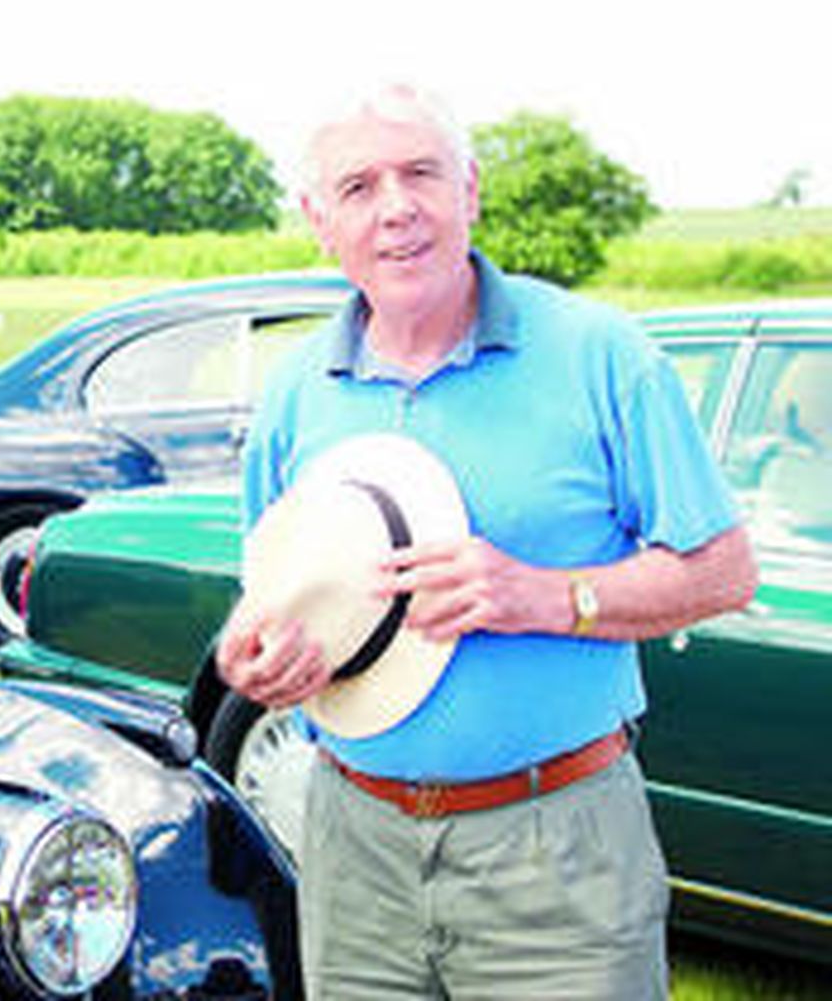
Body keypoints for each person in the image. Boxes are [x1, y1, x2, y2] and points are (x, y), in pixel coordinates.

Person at [215, 84, 757, 999]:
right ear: (320, 221)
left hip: (558, 851)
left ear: (468, 189)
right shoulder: (297, 392)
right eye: (359, 188)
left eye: (420, 173)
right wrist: (254, 654)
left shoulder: (602, 355)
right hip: (351, 842)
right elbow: (270, 592)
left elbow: (724, 571)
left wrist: (546, 596)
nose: (396, 209)